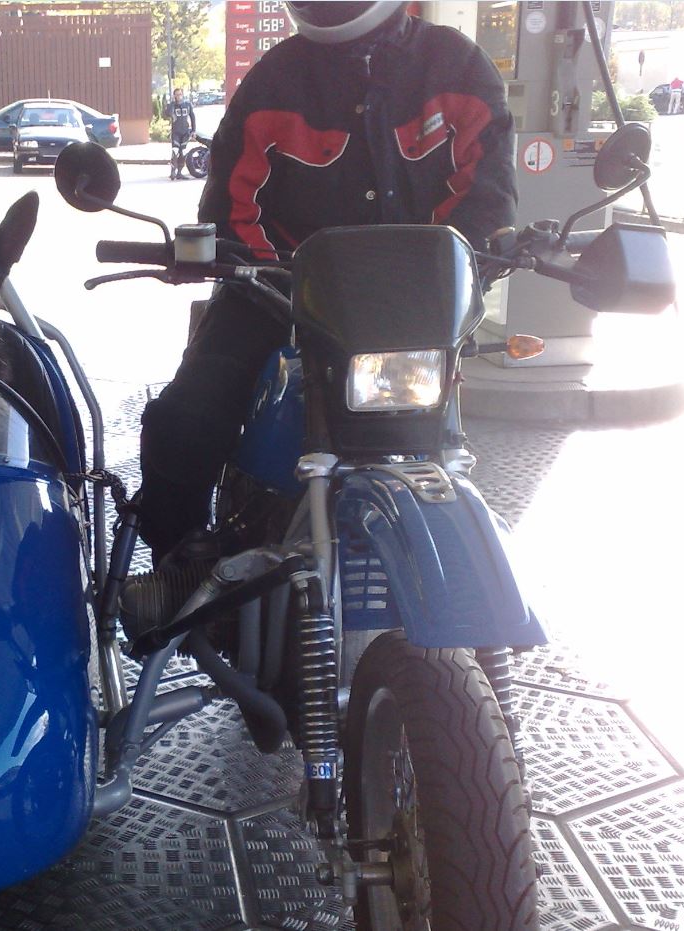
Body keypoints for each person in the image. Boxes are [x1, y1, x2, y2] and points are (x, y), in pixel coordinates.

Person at [137, 1, 517, 565]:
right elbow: (231, 206)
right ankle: (178, 567)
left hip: (411, 310)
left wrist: (482, 256)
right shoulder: (274, 80)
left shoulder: (455, 66)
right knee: (183, 420)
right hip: (278, 294)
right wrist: (271, 277)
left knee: (440, 437)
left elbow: (488, 196)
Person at [167, 86, 196, 180]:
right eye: (176, 95)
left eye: (180, 94)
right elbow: (167, 113)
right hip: (176, 132)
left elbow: (192, 117)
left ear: (182, 95)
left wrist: (193, 130)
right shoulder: (172, 105)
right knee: (175, 151)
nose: (178, 96)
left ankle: (179, 172)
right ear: (174, 96)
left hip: (185, 132)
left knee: (183, 152)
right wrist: (172, 103)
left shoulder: (187, 104)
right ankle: (173, 172)